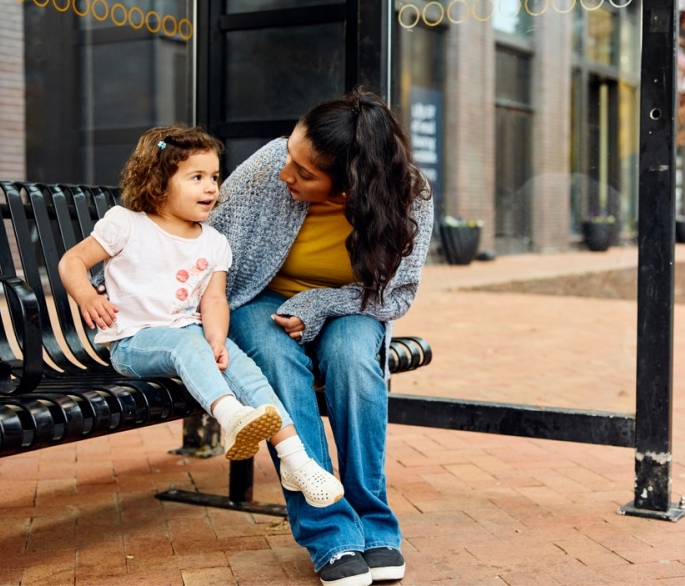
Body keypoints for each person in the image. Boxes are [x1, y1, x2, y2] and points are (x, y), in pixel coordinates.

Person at [209, 87, 434, 586]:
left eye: (305, 173)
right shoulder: (272, 164)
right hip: (258, 298)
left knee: (354, 359)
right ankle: (329, 532)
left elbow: (395, 295)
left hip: (350, 304)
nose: (286, 172)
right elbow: (209, 243)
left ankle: (374, 527)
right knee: (275, 359)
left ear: (349, 188)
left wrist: (318, 304)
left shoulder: (410, 198)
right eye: (291, 154)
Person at [58, 125, 344, 509]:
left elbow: (213, 302)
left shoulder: (214, 242)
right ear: (158, 182)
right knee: (185, 341)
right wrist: (85, 294)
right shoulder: (126, 223)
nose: (211, 187)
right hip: (132, 343)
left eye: (214, 177)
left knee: (244, 368)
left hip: (189, 338)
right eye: (196, 178)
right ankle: (230, 417)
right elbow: (73, 260)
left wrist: (217, 339)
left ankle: (297, 460)